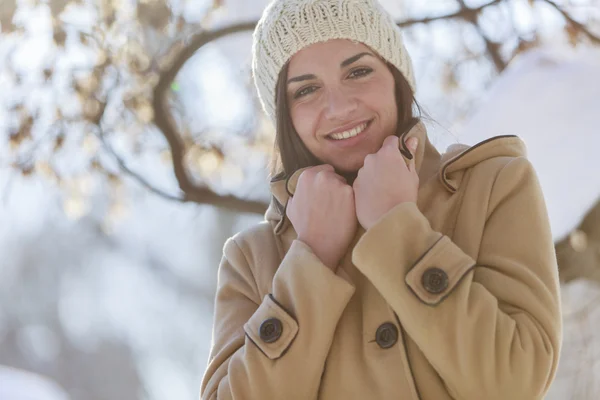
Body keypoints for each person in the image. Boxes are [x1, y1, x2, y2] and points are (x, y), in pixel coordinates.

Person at [200, 0, 562, 398]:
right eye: (305, 90)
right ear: (285, 117)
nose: (339, 107)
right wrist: (311, 260)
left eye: (358, 71)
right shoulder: (252, 259)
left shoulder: (493, 186)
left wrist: (398, 230)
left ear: (395, 77)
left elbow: (515, 382)